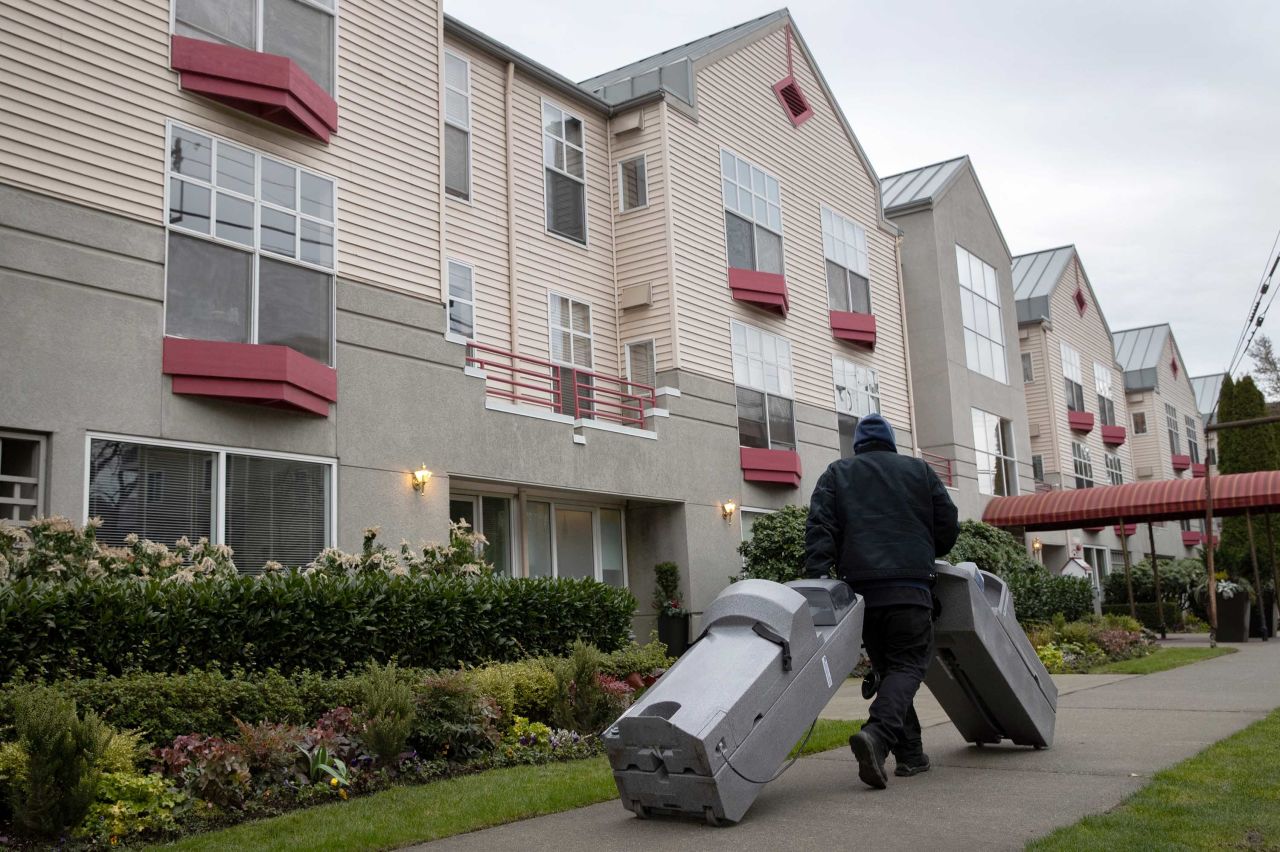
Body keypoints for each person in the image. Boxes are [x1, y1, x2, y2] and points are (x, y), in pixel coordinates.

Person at [803, 413, 959, 789]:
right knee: (907, 667)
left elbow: (820, 527)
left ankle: (911, 755)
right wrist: (925, 549)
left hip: (862, 595)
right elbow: (948, 523)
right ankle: (877, 736)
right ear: (891, 442)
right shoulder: (918, 472)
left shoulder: (837, 473)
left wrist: (820, 575)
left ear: (858, 445)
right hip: (909, 587)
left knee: (891, 672)